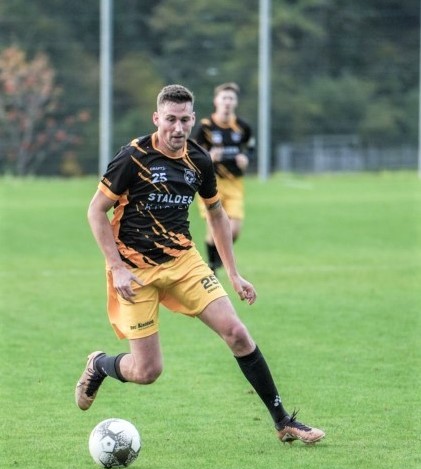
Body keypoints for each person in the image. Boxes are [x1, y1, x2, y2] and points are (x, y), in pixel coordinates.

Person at [75, 84, 325, 445]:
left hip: (184, 262)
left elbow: (217, 214)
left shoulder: (199, 160)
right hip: (135, 270)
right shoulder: (133, 157)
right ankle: (99, 364)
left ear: (193, 119)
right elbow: (96, 211)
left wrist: (234, 273)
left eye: (184, 120)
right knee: (147, 371)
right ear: (157, 118)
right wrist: (116, 267)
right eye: (170, 119)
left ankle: (283, 421)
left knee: (237, 333)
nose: (177, 128)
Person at [195, 82, 254, 274]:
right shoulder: (206, 126)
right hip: (211, 184)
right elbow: (194, 153)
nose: (227, 102)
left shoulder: (242, 127)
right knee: (216, 229)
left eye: (231, 98)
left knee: (233, 230)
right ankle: (212, 268)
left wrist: (246, 157)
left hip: (235, 183)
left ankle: (216, 258)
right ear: (216, 101)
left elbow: (251, 147)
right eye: (224, 98)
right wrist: (208, 157)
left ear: (235, 102)